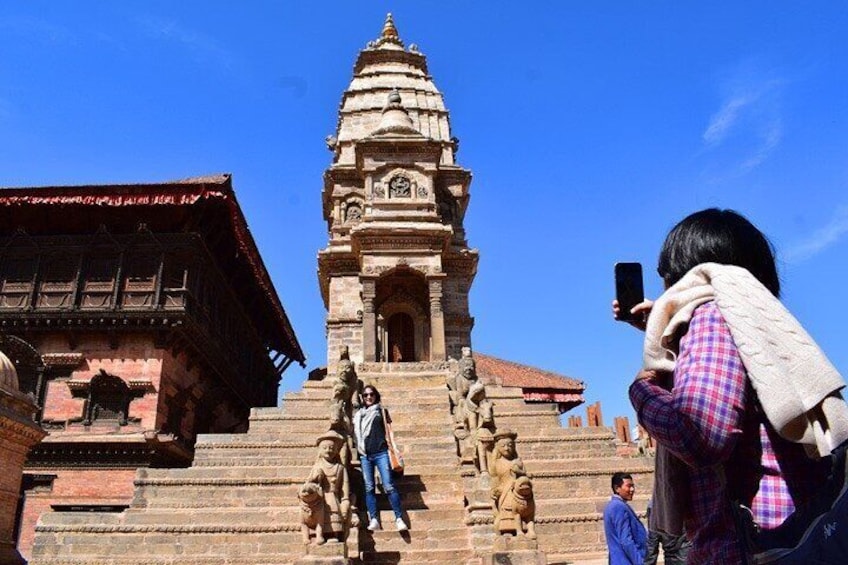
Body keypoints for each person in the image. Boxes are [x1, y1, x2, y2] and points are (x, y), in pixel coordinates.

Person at [615, 208, 846, 564]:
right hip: (794, 535)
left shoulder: (709, 316)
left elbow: (699, 433)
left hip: (748, 548)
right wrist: (666, 334)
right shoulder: (753, 324)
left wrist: (642, 391)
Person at [353, 384, 408, 532]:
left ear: (376, 396)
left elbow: (389, 432)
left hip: (382, 452)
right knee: (369, 488)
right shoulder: (358, 415)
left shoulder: (381, 411)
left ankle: (399, 518)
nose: (369, 397)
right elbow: (355, 435)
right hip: (365, 455)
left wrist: (395, 448)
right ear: (362, 398)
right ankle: (374, 519)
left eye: (371, 394)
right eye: (365, 395)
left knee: (389, 486)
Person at [603, 472, 647, 564]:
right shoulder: (618, 507)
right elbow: (626, 540)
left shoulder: (613, 506)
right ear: (617, 488)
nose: (632, 489)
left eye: (633, 486)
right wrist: (639, 562)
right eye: (628, 486)